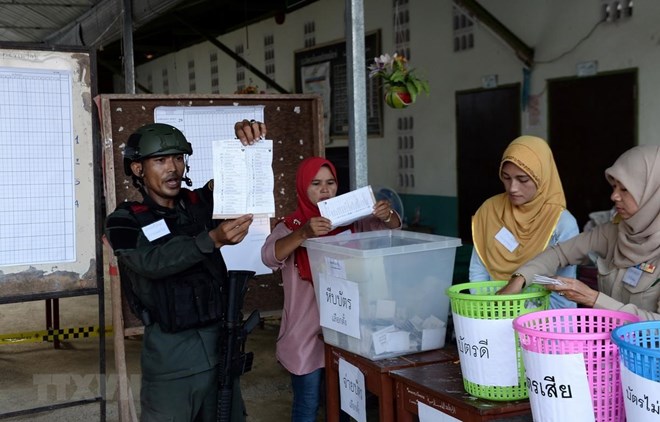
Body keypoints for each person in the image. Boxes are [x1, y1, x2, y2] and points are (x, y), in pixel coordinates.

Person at [104, 120, 264, 422]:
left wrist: (243, 145)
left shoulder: (198, 204)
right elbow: (149, 262)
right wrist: (212, 239)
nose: (173, 168)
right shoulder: (124, 220)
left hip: (220, 352)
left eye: (178, 158)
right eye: (161, 160)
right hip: (172, 363)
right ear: (138, 169)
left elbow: (233, 181)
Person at [260, 156, 401, 422]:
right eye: (316, 183)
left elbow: (391, 229)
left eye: (330, 183)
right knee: (307, 406)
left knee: (348, 406)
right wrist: (303, 233)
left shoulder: (352, 223)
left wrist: (388, 213)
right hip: (306, 336)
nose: (325, 190)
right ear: (303, 187)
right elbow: (269, 256)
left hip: (347, 330)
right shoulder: (290, 227)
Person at [498, 145, 660, 320]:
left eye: (625, 189)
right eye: (614, 187)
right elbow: (559, 253)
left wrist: (593, 299)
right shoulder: (614, 232)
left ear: (652, 192)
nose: (614, 196)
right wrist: (520, 278)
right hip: (607, 344)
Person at [469, 135, 579, 309]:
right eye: (506, 178)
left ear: (541, 177)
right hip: (493, 311)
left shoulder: (561, 223)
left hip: (540, 322)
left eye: (523, 180)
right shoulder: (490, 211)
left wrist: (537, 327)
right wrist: (488, 311)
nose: (512, 188)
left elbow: (563, 290)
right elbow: (478, 271)